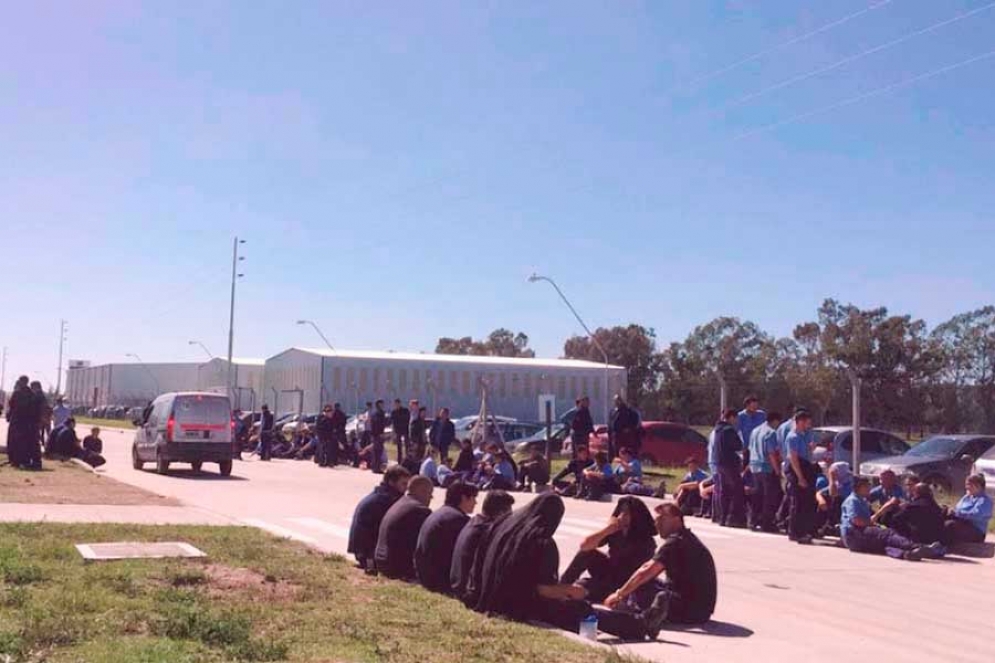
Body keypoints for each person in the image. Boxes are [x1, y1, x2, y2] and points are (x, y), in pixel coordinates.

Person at [469, 493, 590, 632]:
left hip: (487, 598)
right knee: (582, 610)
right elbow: (545, 590)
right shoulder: (542, 541)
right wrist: (572, 591)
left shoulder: (502, 528)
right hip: (517, 607)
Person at [596, 503, 717, 641]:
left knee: (641, 584)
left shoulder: (676, 542)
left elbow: (646, 571)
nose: (656, 524)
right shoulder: (686, 538)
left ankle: (642, 617)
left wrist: (619, 594)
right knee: (644, 583)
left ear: (676, 519)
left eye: (660, 519)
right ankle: (644, 610)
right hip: (701, 610)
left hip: (689, 609)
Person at [561, 496, 656, 603]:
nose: (621, 516)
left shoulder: (646, 541)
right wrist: (607, 530)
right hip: (608, 572)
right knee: (587, 552)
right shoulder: (615, 531)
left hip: (624, 583)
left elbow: (639, 574)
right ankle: (561, 586)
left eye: (627, 513)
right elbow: (585, 546)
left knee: (582, 588)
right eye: (620, 511)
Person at [840, 478, 943, 561]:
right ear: (859, 487)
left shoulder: (861, 500)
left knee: (884, 543)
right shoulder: (853, 500)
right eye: (867, 486)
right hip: (854, 535)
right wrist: (873, 522)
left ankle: (906, 554)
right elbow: (857, 521)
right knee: (888, 534)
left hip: (856, 540)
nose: (869, 488)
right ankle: (919, 547)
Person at [450, 490, 515, 603]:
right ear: (501, 513)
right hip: (471, 594)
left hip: (459, 586)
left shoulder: (474, 523)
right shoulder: (487, 532)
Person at [415, 481, 478, 594]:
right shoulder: (457, 519)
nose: (476, 502)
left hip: (425, 575)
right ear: (464, 498)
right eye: (474, 498)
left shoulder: (441, 513)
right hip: (438, 581)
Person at [348, 466, 411, 572]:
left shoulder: (381, 495)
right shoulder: (386, 500)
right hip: (367, 554)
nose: (406, 488)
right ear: (392, 482)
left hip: (362, 550)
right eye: (403, 484)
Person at [374, 475, 434, 579]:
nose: (430, 498)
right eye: (430, 494)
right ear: (421, 491)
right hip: (396, 567)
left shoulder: (400, 502)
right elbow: (424, 545)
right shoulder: (419, 510)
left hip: (381, 560)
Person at [785, 410, 818, 544]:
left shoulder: (804, 436)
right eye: (806, 422)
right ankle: (795, 532)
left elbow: (806, 453)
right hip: (797, 469)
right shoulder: (792, 437)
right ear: (799, 422)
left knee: (807, 502)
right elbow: (793, 458)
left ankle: (805, 530)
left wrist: (811, 449)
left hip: (806, 466)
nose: (808, 425)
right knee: (798, 503)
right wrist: (800, 477)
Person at [747, 411, 782, 532]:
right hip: (766, 467)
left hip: (755, 467)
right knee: (769, 497)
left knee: (757, 495)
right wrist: (777, 470)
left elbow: (750, 448)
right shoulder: (771, 433)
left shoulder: (755, 431)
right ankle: (767, 523)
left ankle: (753, 521)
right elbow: (771, 453)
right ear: (775, 421)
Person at [714, 409, 746, 528]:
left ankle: (722, 517)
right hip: (730, 463)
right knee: (737, 490)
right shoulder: (729, 430)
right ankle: (733, 518)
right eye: (736, 418)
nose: (736, 421)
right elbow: (738, 445)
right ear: (731, 417)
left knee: (724, 491)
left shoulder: (718, 430)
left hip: (720, 463)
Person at [942, 474, 993, 546]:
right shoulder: (966, 497)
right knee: (940, 518)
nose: (967, 487)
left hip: (976, 532)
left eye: (969, 485)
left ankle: (940, 547)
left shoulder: (985, 501)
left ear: (978, 486)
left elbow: (976, 515)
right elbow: (957, 509)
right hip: (963, 524)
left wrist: (957, 513)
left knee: (949, 525)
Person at [4, 376, 36, 469]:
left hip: (16, 421)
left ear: (22, 382)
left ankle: (14, 460)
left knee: (14, 441)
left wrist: (9, 416)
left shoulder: (17, 393)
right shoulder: (31, 394)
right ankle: (24, 460)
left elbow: (11, 406)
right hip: (26, 422)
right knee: (25, 441)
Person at [736, 396, 766, 464]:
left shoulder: (761, 415)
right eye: (753, 405)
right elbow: (737, 432)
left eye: (756, 405)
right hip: (747, 448)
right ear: (747, 405)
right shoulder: (740, 416)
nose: (755, 407)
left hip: (760, 447)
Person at [370, 400, 388, 473]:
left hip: (376, 434)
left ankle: (375, 467)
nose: (382, 405)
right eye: (381, 404)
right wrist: (380, 433)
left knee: (377, 451)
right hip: (378, 435)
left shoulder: (375, 413)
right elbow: (377, 424)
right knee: (378, 451)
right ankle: (376, 467)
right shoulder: (378, 414)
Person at [390, 399, 410, 464]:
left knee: (407, 446)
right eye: (396, 404)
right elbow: (393, 422)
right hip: (398, 431)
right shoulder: (394, 412)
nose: (397, 405)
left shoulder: (405, 411)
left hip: (405, 430)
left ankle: (407, 460)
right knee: (399, 447)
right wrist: (394, 432)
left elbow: (408, 419)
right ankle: (399, 460)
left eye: (398, 404)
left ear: (400, 404)